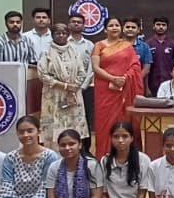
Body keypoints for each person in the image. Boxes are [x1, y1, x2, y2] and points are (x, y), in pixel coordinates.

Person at [91, 17, 145, 157]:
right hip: (105, 90)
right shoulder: (99, 45)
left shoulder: (127, 46)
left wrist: (125, 78)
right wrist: (113, 79)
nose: (114, 28)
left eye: (117, 25)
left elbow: (135, 66)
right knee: (105, 125)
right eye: (111, 25)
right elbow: (96, 68)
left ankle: (125, 156)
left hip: (124, 90)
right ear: (105, 29)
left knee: (124, 120)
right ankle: (104, 155)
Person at [39, 23, 91, 148]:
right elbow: (42, 74)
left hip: (73, 94)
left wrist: (73, 87)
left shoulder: (73, 50)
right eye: (58, 33)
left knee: (74, 125)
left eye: (64, 33)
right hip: (54, 94)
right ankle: (54, 153)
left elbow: (82, 72)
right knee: (53, 126)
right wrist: (64, 86)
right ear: (52, 35)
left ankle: (74, 150)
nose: (61, 35)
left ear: (68, 35)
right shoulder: (46, 52)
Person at [64, 12, 96, 140]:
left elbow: (91, 68)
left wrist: (81, 87)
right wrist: (70, 86)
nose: (76, 24)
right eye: (73, 21)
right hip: (67, 87)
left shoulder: (90, 45)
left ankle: (86, 148)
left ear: (83, 26)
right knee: (68, 117)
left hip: (86, 88)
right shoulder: (63, 43)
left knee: (86, 118)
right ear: (68, 24)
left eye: (79, 22)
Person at [146, 17, 174, 95]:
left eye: (163, 25)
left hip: (169, 83)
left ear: (167, 27)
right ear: (153, 26)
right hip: (152, 84)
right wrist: (146, 87)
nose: (161, 27)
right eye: (158, 24)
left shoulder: (173, 44)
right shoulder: (147, 44)